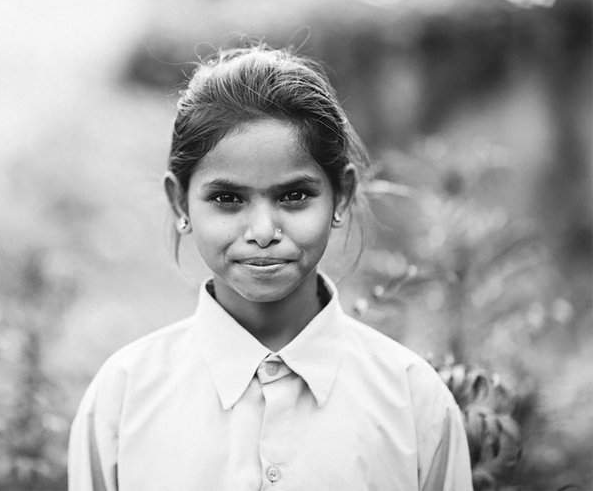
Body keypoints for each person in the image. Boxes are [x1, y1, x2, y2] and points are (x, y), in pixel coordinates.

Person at [68, 45, 473, 490]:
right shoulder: (123, 399)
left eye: (294, 196)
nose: (263, 230)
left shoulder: (413, 401)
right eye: (227, 199)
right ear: (180, 202)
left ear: (340, 196)